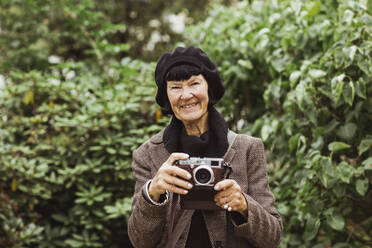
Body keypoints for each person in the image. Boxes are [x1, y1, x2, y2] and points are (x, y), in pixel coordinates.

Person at [127, 46, 282, 248]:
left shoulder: (247, 149)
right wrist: (153, 192)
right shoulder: (148, 154)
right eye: (175, 87)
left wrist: (243, 206)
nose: (186, 94)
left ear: (209, 87)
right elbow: (139, 242)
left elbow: (273, 238)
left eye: (194, 83)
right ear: (166, 95)